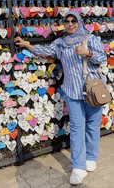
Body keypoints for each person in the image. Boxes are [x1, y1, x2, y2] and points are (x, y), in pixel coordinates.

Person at [14, 11, 107, 185]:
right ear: (64, 24)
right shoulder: (61, 43)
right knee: (77, 128)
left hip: (93, 91)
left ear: (79, 22)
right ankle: (78, 167)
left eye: (73, 21)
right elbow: (45, 51)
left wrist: (88, 53)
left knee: (93, 125)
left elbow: (103, 58)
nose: (70, 24)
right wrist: (27, 45)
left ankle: (91, 157)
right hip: (73, 92)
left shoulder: (91, 39)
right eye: (67, 21)